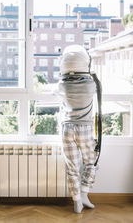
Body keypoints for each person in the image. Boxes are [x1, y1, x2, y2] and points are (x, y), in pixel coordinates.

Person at [56, 44, 99, 214]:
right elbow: (97, 85)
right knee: (91, 161)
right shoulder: (91, 84)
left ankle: (76, 201)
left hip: (68, 128)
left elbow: (55, 92)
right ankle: (84, 193)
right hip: (85, 129)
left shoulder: (62, 85)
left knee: (72, 166)